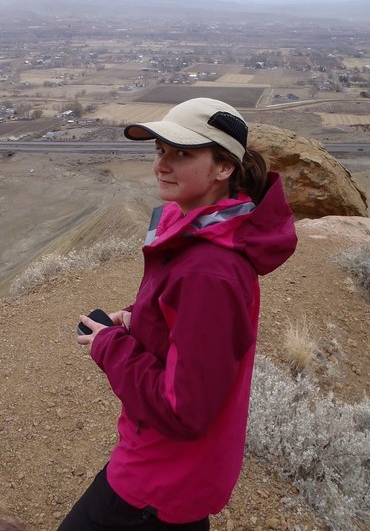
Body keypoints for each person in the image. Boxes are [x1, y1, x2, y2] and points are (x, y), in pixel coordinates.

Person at [57, 97, 298, 531]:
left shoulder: (210, 269)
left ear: (223, 168)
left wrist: (108, 346)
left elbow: (183, 410)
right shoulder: (203, 235)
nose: (162, 165)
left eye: (182, 153)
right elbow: (191, 334)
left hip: (157, 484)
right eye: (160, 150)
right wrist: (138, 319)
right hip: (175, 475)